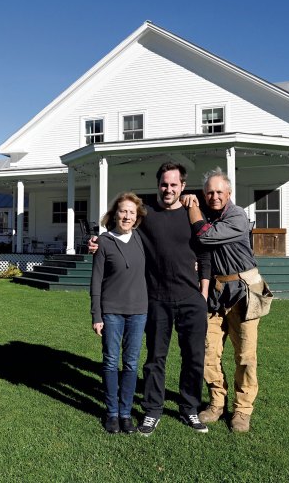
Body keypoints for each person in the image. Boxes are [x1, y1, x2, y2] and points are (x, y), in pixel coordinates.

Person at [90, 162, 211, 435]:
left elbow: (204, 254)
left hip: (191, 297)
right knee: (155, 358)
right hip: (156, 299)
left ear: (182, 186)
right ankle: (152, 411)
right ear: (158, 185)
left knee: (194, 357)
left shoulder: (193, 213)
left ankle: (189, 408)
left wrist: (203, 291)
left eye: (174, 185)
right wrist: (97, 242)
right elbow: (121, 231)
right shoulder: (147, 216)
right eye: (164, 184)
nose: (168, 189)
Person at [182, 167, 265, 433]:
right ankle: (217, 403)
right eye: (209, 192)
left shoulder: (237, 216)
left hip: (244, 293)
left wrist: (192, 206)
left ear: (229, 193)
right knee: (209, 353)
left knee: (245, 357)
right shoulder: (206, 214)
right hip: (215, 294)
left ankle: (242, 410)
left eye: (219, 191)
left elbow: (204, 234)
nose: (214, 196)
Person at [89, 192, 148, 434]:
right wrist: (96, 315)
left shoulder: (141, 239)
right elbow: (96, 281)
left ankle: (126, 414)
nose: (127, 216)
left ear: (137, 217)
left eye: (131, 212)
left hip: (138, 311)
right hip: (111, 311)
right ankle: (111, 413)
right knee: (111, 361)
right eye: (123, 211)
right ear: (115, 214)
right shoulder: (103, 242)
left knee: (132, 363)